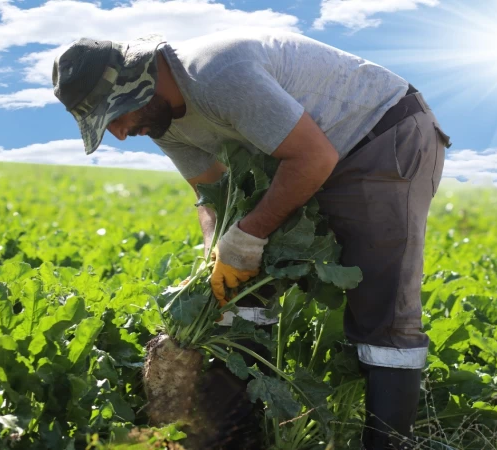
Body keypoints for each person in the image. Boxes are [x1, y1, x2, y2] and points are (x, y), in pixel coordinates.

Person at [51, 27, 451, 449]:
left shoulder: (217, 74)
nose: (118, 133)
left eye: (115, 116)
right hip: (301, 154)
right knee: (236, 293)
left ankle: (388, 443)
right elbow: (212, 194)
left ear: (141, 84)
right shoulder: (160, 121)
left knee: (381, 305)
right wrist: (217, 249)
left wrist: (250, 233)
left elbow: (314, 158)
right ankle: (231, 441)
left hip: (380, 136)